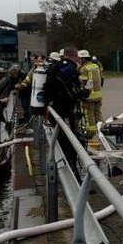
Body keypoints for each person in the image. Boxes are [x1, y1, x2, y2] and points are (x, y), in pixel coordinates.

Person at [44, 45, 89, 174]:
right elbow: (72, 92)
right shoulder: (69, 69)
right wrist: (84, 93)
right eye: (77, 57)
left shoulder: (53, 67)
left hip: (54, 110)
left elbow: (48, 89)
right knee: (71, 140)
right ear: (74, 56)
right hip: (66, 111)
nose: (78, 60)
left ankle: (65, 168)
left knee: (61, 139)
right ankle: (73, 172)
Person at [78, 49, 103, 138]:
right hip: (98, 94)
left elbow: (83, 82)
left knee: (89, 115)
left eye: (80, 59)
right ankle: (102, 130)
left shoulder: (83, 69)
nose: (78, 61)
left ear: (84, 59)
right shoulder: (95, 66)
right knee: (98, 113)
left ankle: (90, 133)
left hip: (89, 96)